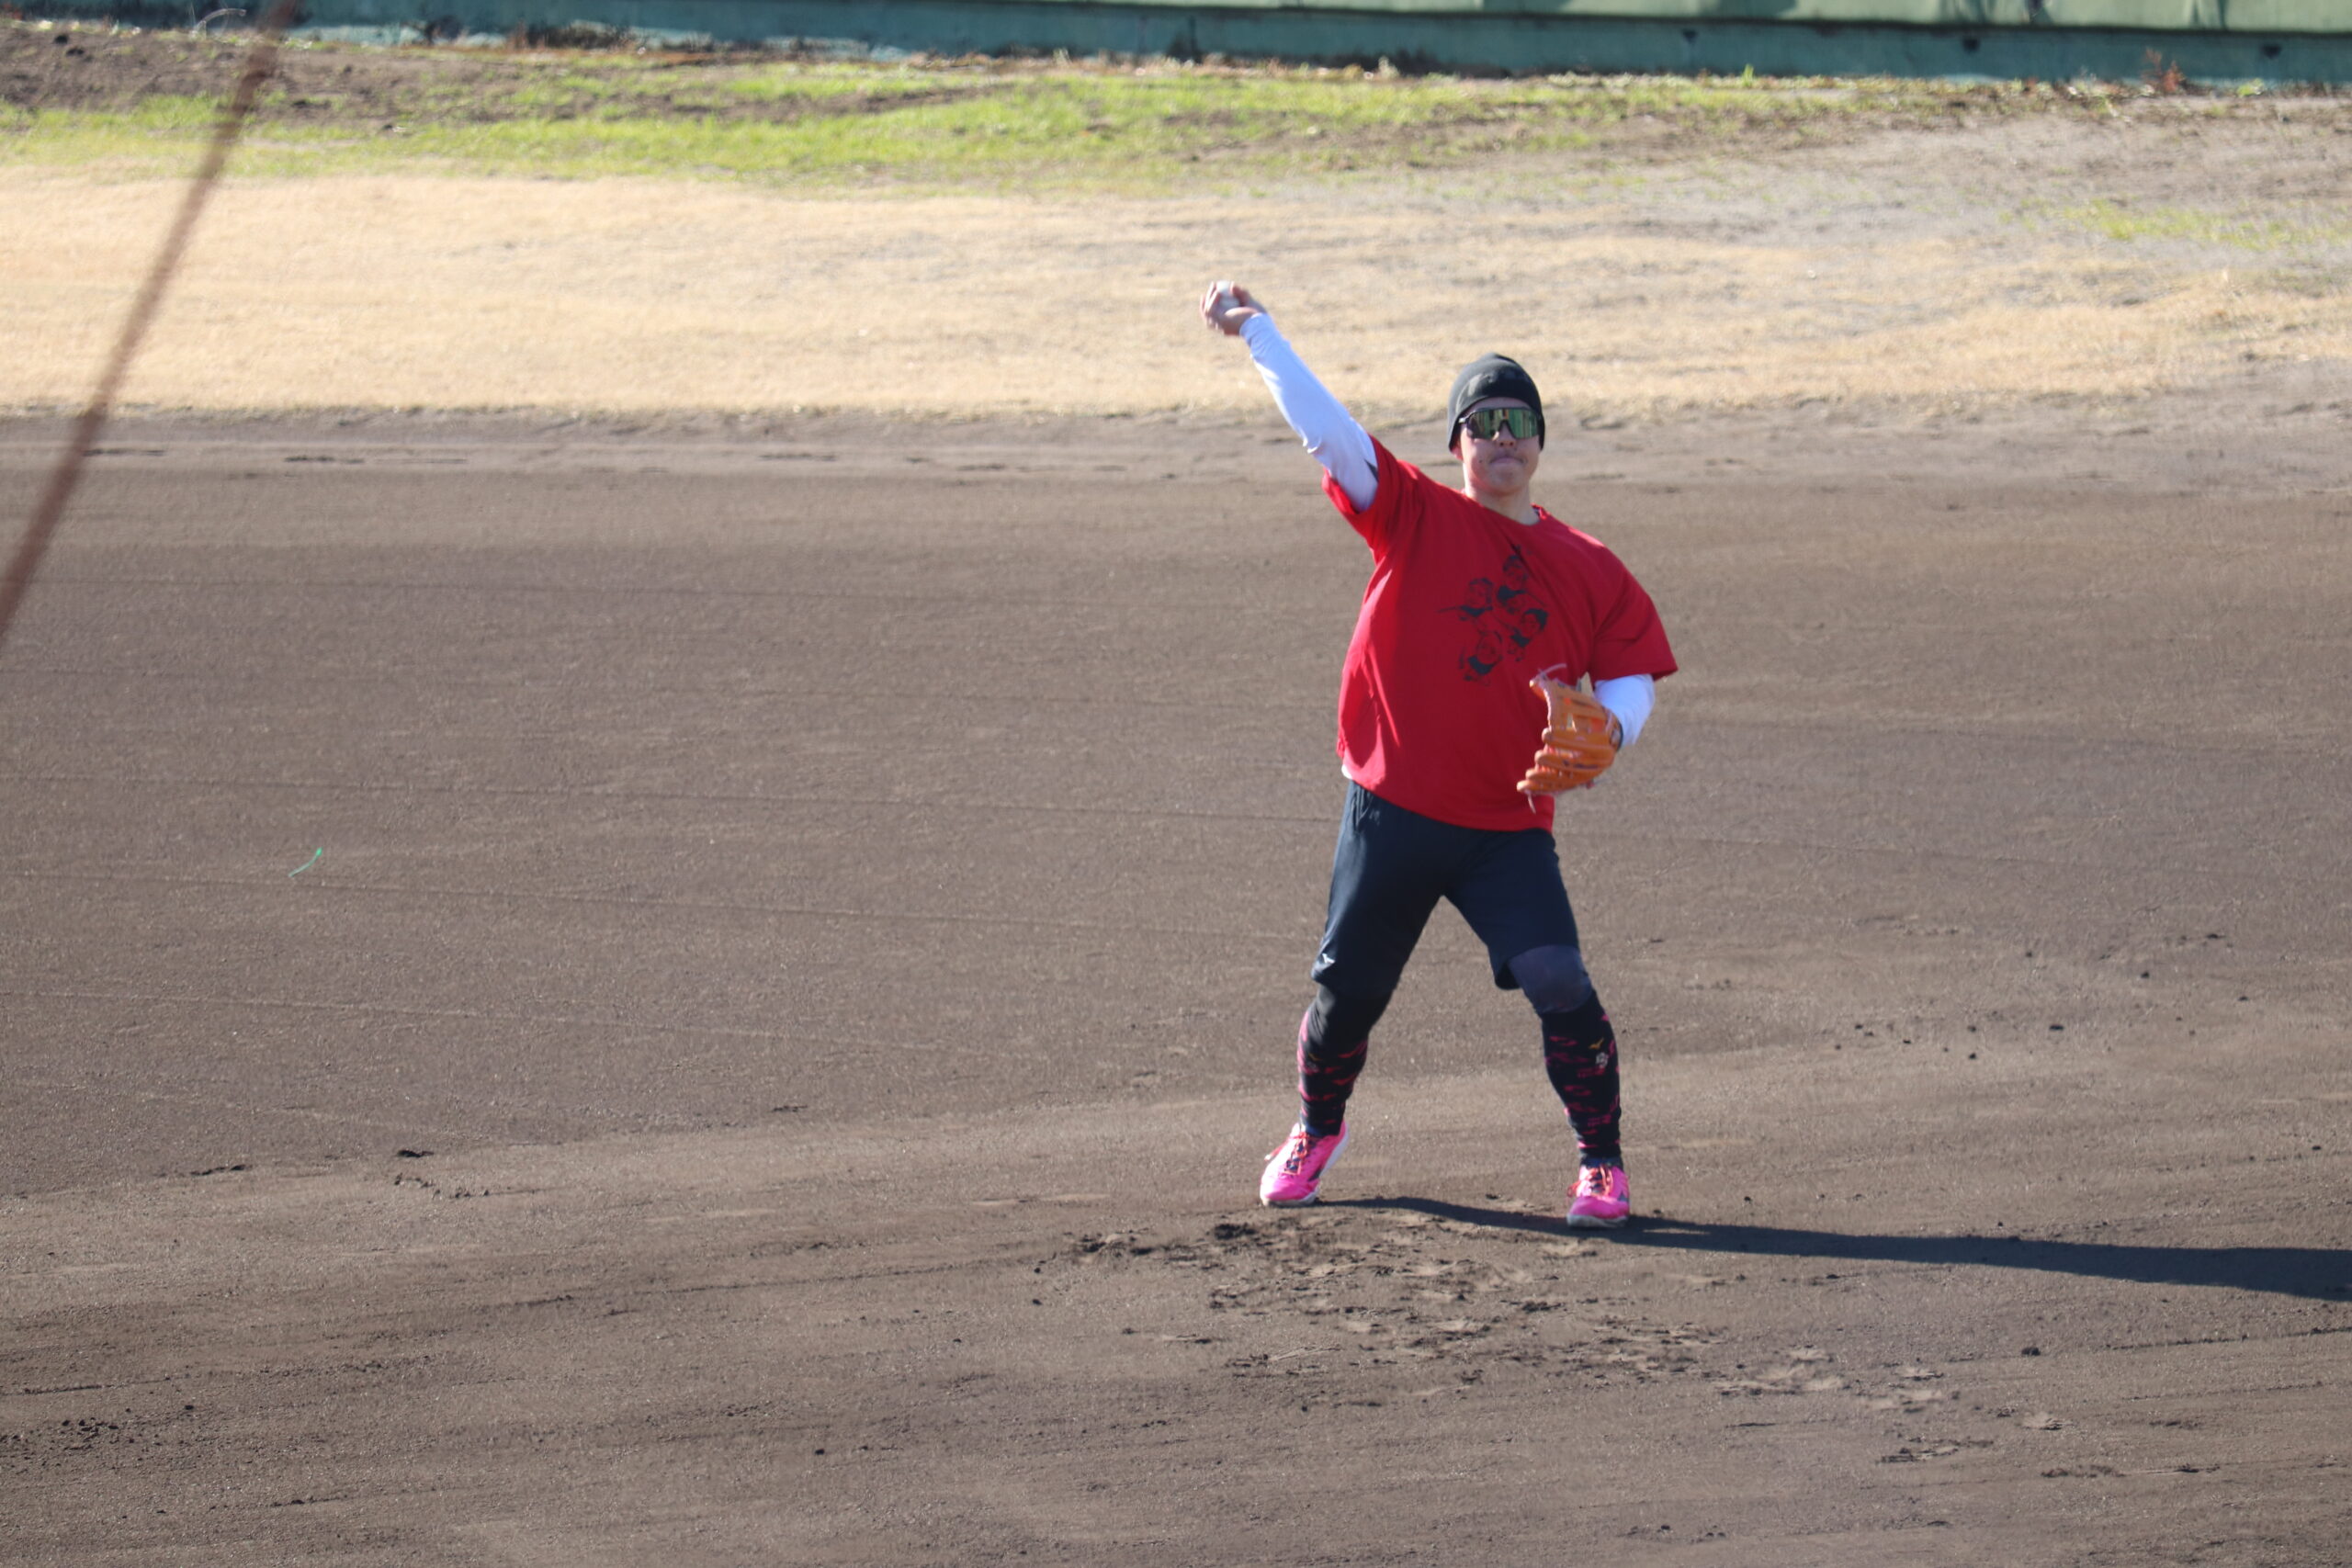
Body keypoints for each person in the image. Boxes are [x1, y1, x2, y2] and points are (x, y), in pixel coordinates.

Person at [1199, 280, 1677, 1229]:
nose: (1502, 436)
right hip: (1394, 810)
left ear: (1539, 443)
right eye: (1482, 421)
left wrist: (1615, 727)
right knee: (1347, 997)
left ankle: (1602, 1163)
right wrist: (1261, 335)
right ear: (1457, 442)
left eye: (1518, 422)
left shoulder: (1590, 565)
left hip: (1506, 825)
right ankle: (1315, 1130)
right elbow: (1328, 433)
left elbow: (1633, 669)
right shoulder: (1411, 512)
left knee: (1558, 978)